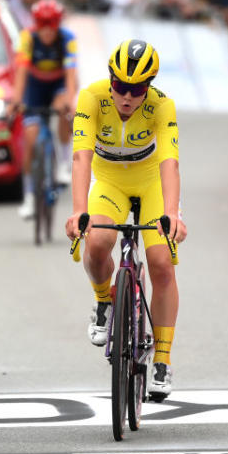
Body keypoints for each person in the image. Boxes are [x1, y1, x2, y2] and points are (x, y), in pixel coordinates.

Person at [65, 39, 186, 400]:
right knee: (98, 240)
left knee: (162, 263)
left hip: (151, 184)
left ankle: (162, 359)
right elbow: (81, 158)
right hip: (111, 182)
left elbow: (170, 163)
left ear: (148, 86)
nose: (127, 97)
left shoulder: (163, 106)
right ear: (110, 80)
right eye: (120, 86)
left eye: (136, 89)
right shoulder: (91, 98)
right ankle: (104, 300)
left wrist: (172, 212)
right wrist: (77, 211)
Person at [11, 0, 78, 219]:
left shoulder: (68, 39)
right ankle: (30, 197)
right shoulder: (27, 38)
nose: (47, 31)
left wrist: (71, 101)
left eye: (52, 25)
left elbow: (70, 76)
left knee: (63, 108)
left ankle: (63, 164)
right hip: (35, 88)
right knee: (30, 137)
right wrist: (16, 101)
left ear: (58, 24)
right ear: (36, 24)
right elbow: (21, 73)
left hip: (58, 85)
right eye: (42, 25)